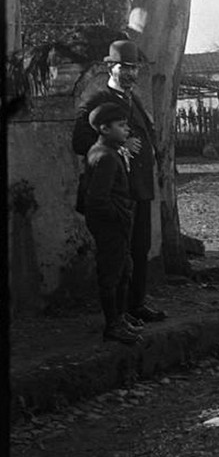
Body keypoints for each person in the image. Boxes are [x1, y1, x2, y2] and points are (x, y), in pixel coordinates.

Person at [73, 40, 166, 323]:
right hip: (115, 190)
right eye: (124, 68)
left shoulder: (133, 98)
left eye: (134, 68)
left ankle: (136, 304)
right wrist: (119, 146)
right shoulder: (97, 101)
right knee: (118, 253)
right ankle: (119, 314)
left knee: (139, 248)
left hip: (140, 186)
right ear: (109, 68)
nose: (130, 74)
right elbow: (79, 141)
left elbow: (147, 136)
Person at [81, 103, 141, 344]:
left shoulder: (108, 152)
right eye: (121, 125)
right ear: (104, 129)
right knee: (111, 274)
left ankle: (120, 317)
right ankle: (112, 325)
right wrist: (119, 215)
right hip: (111, 226)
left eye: (126, 124)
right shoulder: (104, 156)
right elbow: (97, 199)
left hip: (117, 223)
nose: (126, 130)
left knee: (123, 270)